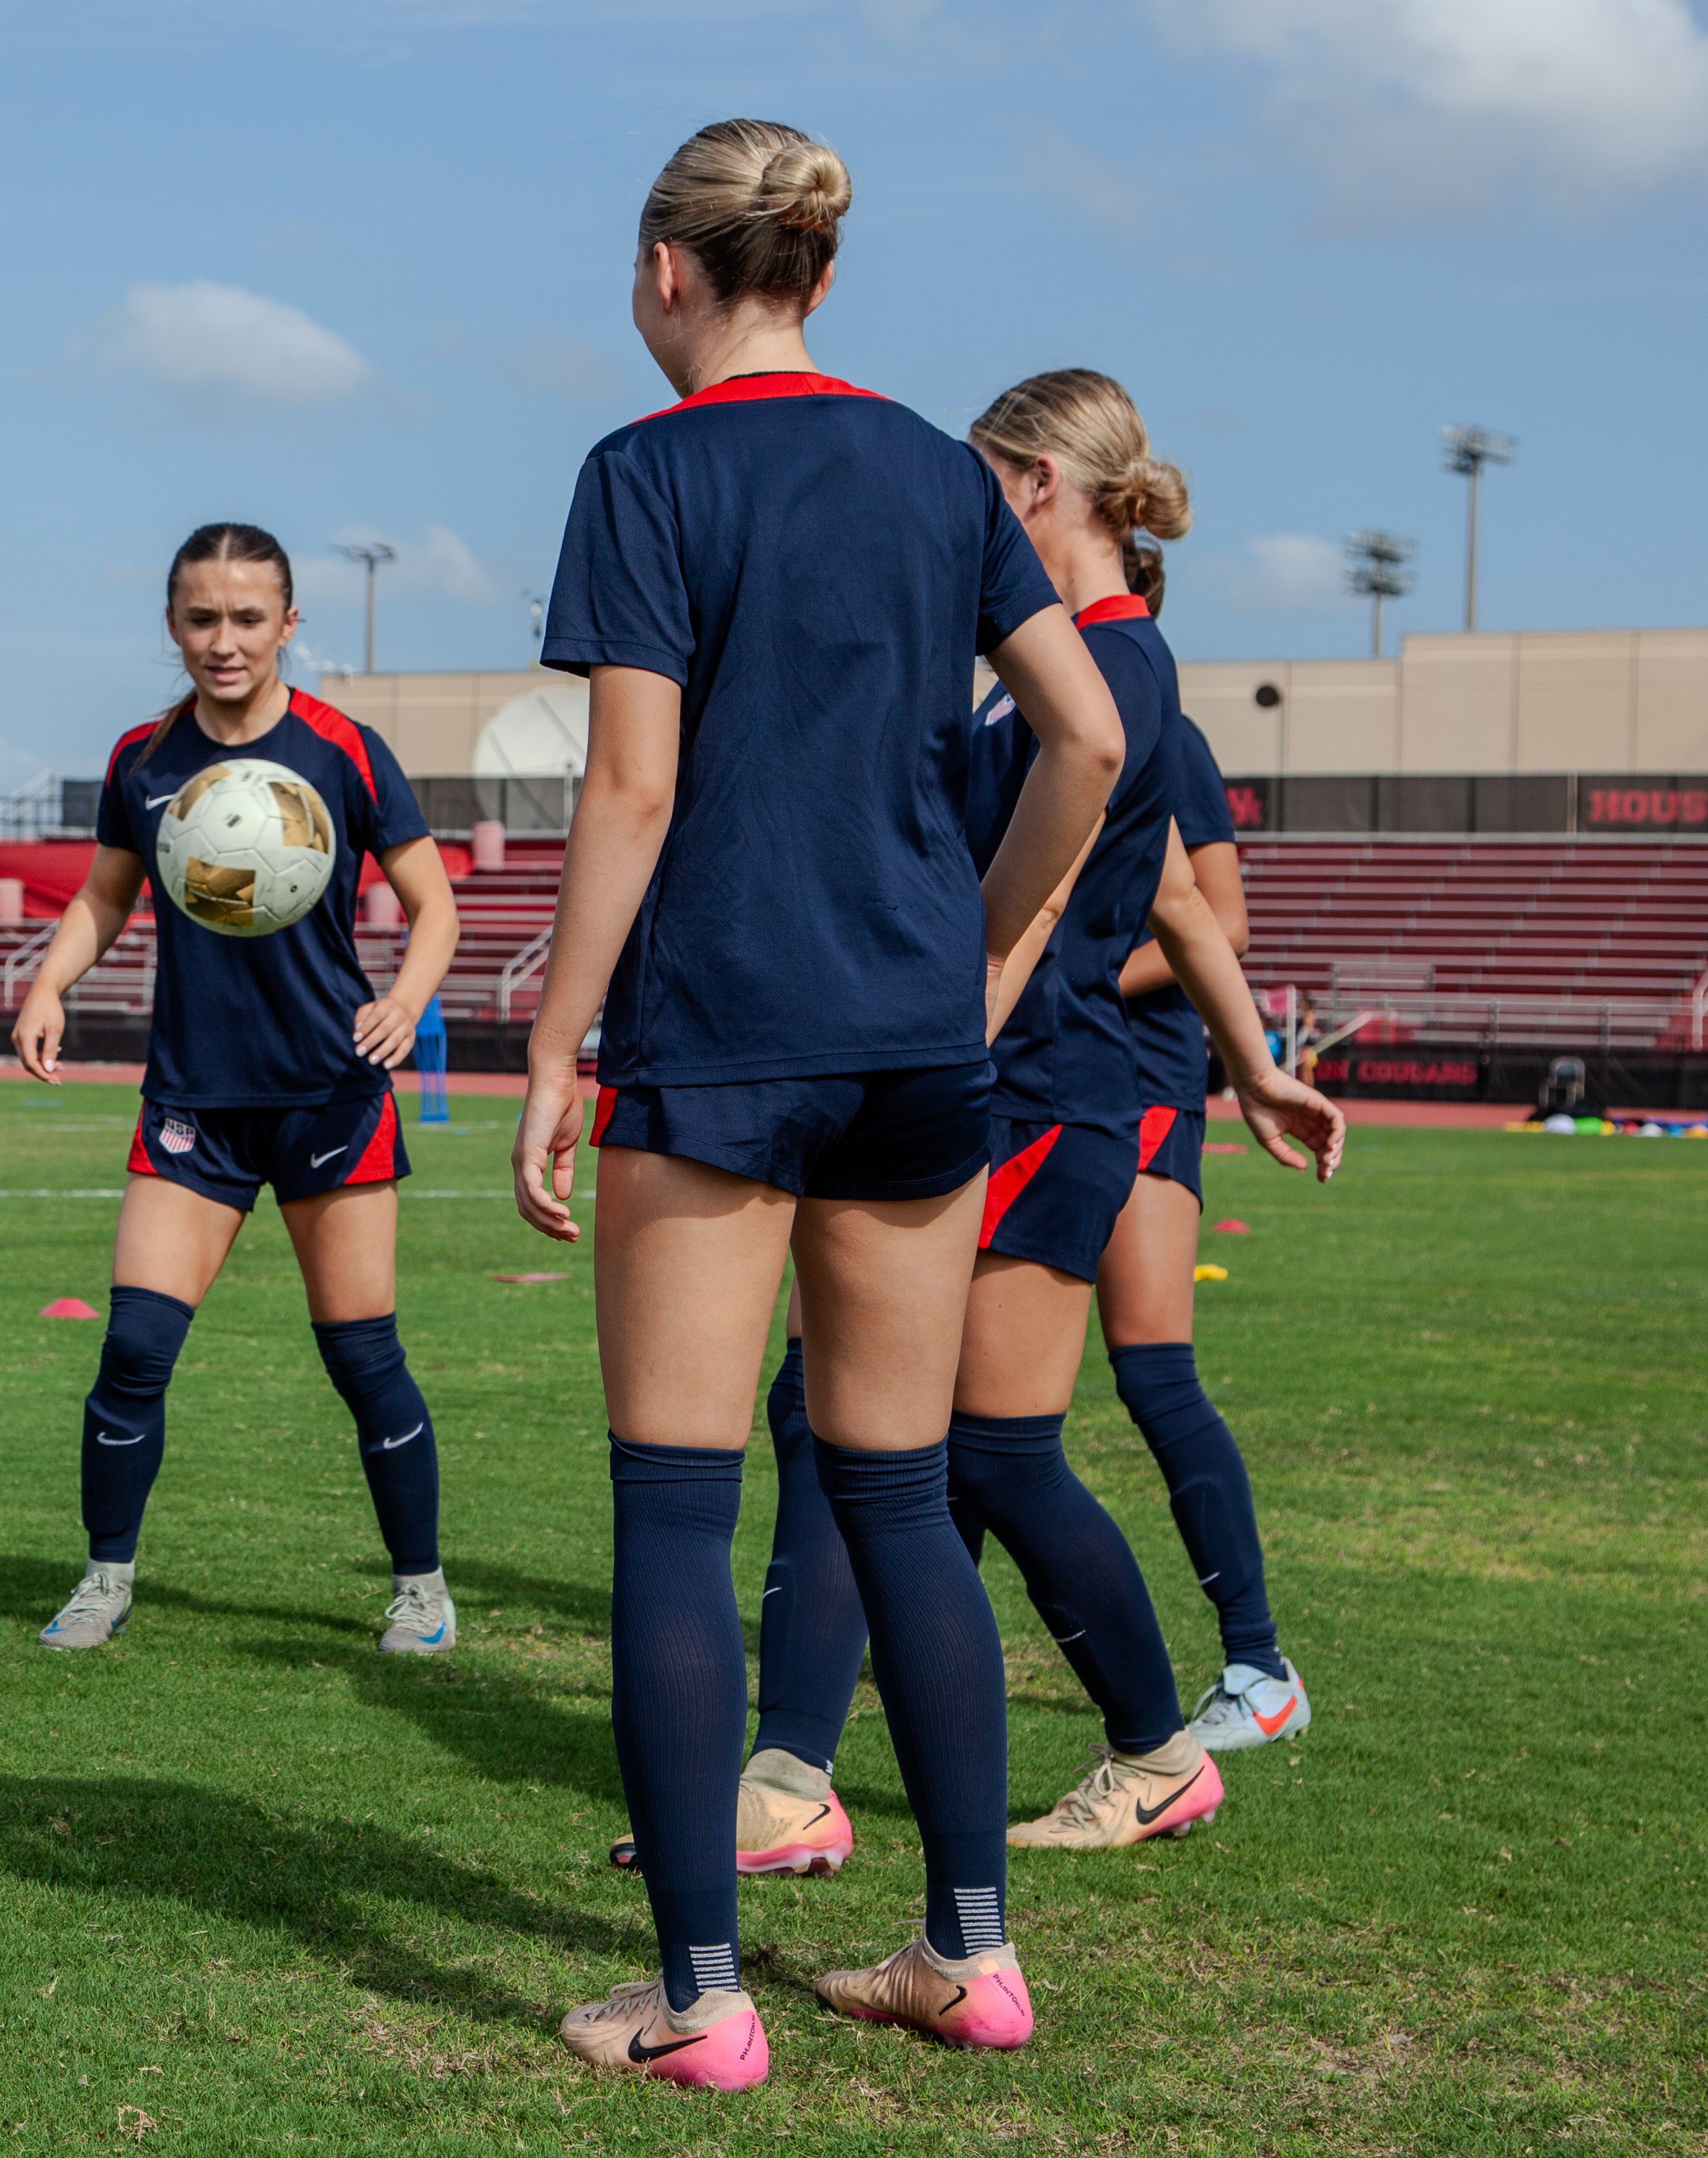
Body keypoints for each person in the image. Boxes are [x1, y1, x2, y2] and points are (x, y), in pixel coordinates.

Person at [515, 119, 1128, 2087]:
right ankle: (969, 1952)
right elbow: (1087, 734)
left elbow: (625, 789)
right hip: (908, 1042)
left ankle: (696, 1998)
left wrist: (551, 1037)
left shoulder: (641, 466)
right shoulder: (936, 470)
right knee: (894, 1497)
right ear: (823, 277)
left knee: (678, 1507)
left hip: (717, 1033)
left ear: (666, 275)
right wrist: (980, 947)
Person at [946, 370, 1343, 1851]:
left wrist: (959, 1020)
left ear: (1044, 483)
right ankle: (802, 1750)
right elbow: (1169, 890)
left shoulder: (1115, 672)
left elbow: (1133, 904)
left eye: (986, 482)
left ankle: (1195, 1713)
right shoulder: (1058, 670)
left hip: (1062, 1081)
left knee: (1018, 1435)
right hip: (1050, 1075)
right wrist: (1254, 1060)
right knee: (900, 1435)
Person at [14, 523, 460, 1657]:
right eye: (202, 619)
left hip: (330, 1092)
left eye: (248, 618)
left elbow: (434, 904)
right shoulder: (143, 760)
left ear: (288, 624)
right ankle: (104, 1577)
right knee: (133, 1350)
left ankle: (419, 1586)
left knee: (362, 1359)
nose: (224, 641)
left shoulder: (342, 751)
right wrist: (49, 984)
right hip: (194, 1104)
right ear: (172, 626)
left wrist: (404, 1002)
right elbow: (100, 900)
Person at [1102, 709, 1309, 1749]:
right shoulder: (1022, 711)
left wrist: (1078, 973)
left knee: (1151, 1373)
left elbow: (1217, 922)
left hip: (1132, 1078)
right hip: (1046, 1082)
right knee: (976, 1408)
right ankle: (907, 1631)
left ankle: (1258, 1666)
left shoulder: (1153, 726)